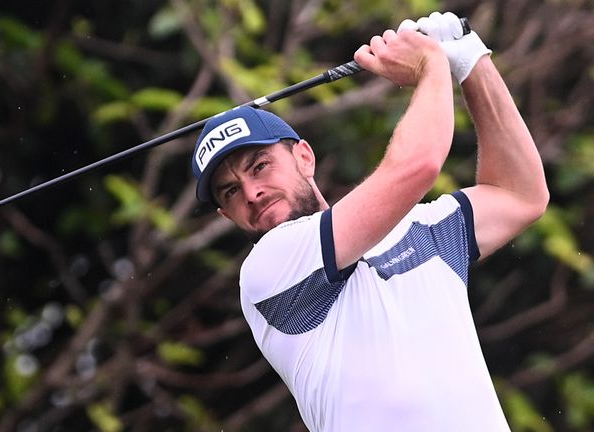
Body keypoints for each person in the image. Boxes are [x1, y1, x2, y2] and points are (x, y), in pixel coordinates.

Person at [190, 11, 549, 432]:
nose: (251, 193)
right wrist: (431, 65)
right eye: (230, 191)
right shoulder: (269, 269)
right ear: (224, 214)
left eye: (260, 166)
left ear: (304, 157)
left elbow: (519, 195)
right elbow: (416, 167)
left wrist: (471, 62)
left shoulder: (424, 231)